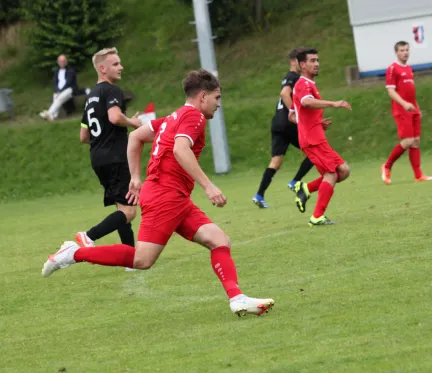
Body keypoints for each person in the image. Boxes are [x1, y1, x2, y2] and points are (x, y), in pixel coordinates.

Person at [42, 69, 275, 317]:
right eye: (217, 98)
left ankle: (237, 299)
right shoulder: (193, 117)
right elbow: (180, 150)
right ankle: (73, 253)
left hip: (173, 196)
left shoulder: (173, 117)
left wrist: (135, 178)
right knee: (142, 260)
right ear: (203, 96)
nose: (219, 104)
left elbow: (135, 137)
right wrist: (209, 186)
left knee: (218, 240)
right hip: (166, 195)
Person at [76, 48, 142, 263]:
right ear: (102, 69)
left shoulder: (90, 97)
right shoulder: (112, 90)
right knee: (130, 211)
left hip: (98, 158)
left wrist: (103, 139)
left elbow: (83, 135)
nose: (121, 67)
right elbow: (114, 117)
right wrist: (133, 123)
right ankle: (88, 236)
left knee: (122, 208)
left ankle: (131, 256)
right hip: (116, 157)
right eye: (115, 64)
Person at [290, 48, 351, 227]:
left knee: (344, 171)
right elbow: (306, 102)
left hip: (316, 135)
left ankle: (306, 188)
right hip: (312, 140)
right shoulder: (302, 84)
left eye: (317, 60)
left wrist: (316, 122)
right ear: (302, 65)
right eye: (312, 61)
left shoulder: (309, 84)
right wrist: (334, 103)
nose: (316, 64)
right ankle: (317, 216)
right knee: (331, 173)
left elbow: (292, 116)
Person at [252, 48, 314, 209]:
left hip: (277, 124)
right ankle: (295, 182)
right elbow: (285, 94)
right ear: (294, 62)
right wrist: (295, 113)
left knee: (276, 161)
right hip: (288, 123)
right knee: (314, 151)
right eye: (300, 61)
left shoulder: (288, 78)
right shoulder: (294, 77)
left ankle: (259, 195)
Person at [381, 41, 432, 185]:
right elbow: (390, 91)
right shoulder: (393, 69)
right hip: (401, 109)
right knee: (408, 141)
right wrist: (404, 104)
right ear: (396, 52)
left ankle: (418, 175)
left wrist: (417, 107)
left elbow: (411, 91)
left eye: (407, 50)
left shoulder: (409, 69)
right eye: (402, 50)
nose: (405, 52)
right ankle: (387, 166)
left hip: (413, 109)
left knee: (416, 141)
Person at [39, 54, 88, 121]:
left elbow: (68, 83)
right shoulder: (56, 71)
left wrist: (60, 92)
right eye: (60, 61)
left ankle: (49, 112)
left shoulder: (71, 71)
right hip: (59, 91)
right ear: (58, 62)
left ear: (66, 62)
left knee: (59, 97)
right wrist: (57, 91)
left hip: (70, 90)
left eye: (63, 61)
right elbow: (55, 83)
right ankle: (52, 117)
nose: (62, 62)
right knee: (55, 96)